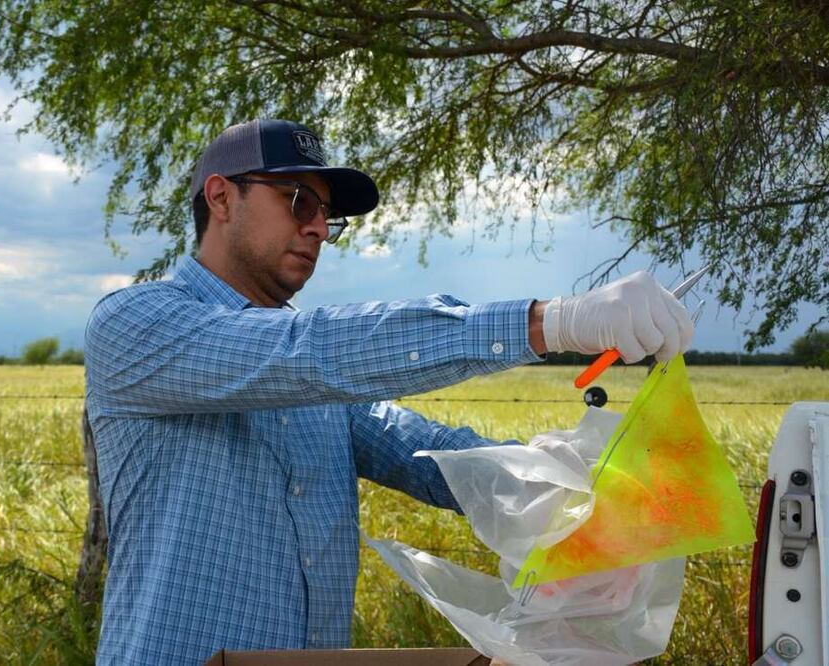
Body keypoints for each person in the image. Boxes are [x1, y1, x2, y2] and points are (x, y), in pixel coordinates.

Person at [84, 119, 693, 665]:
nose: (318, 227)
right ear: (221, 196)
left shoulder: (313, 377)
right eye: (299, 201)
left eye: (327, 214)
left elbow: (421, 453)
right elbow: (304, 353)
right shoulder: (138, 324)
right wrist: (551, 322)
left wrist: (555, 488)